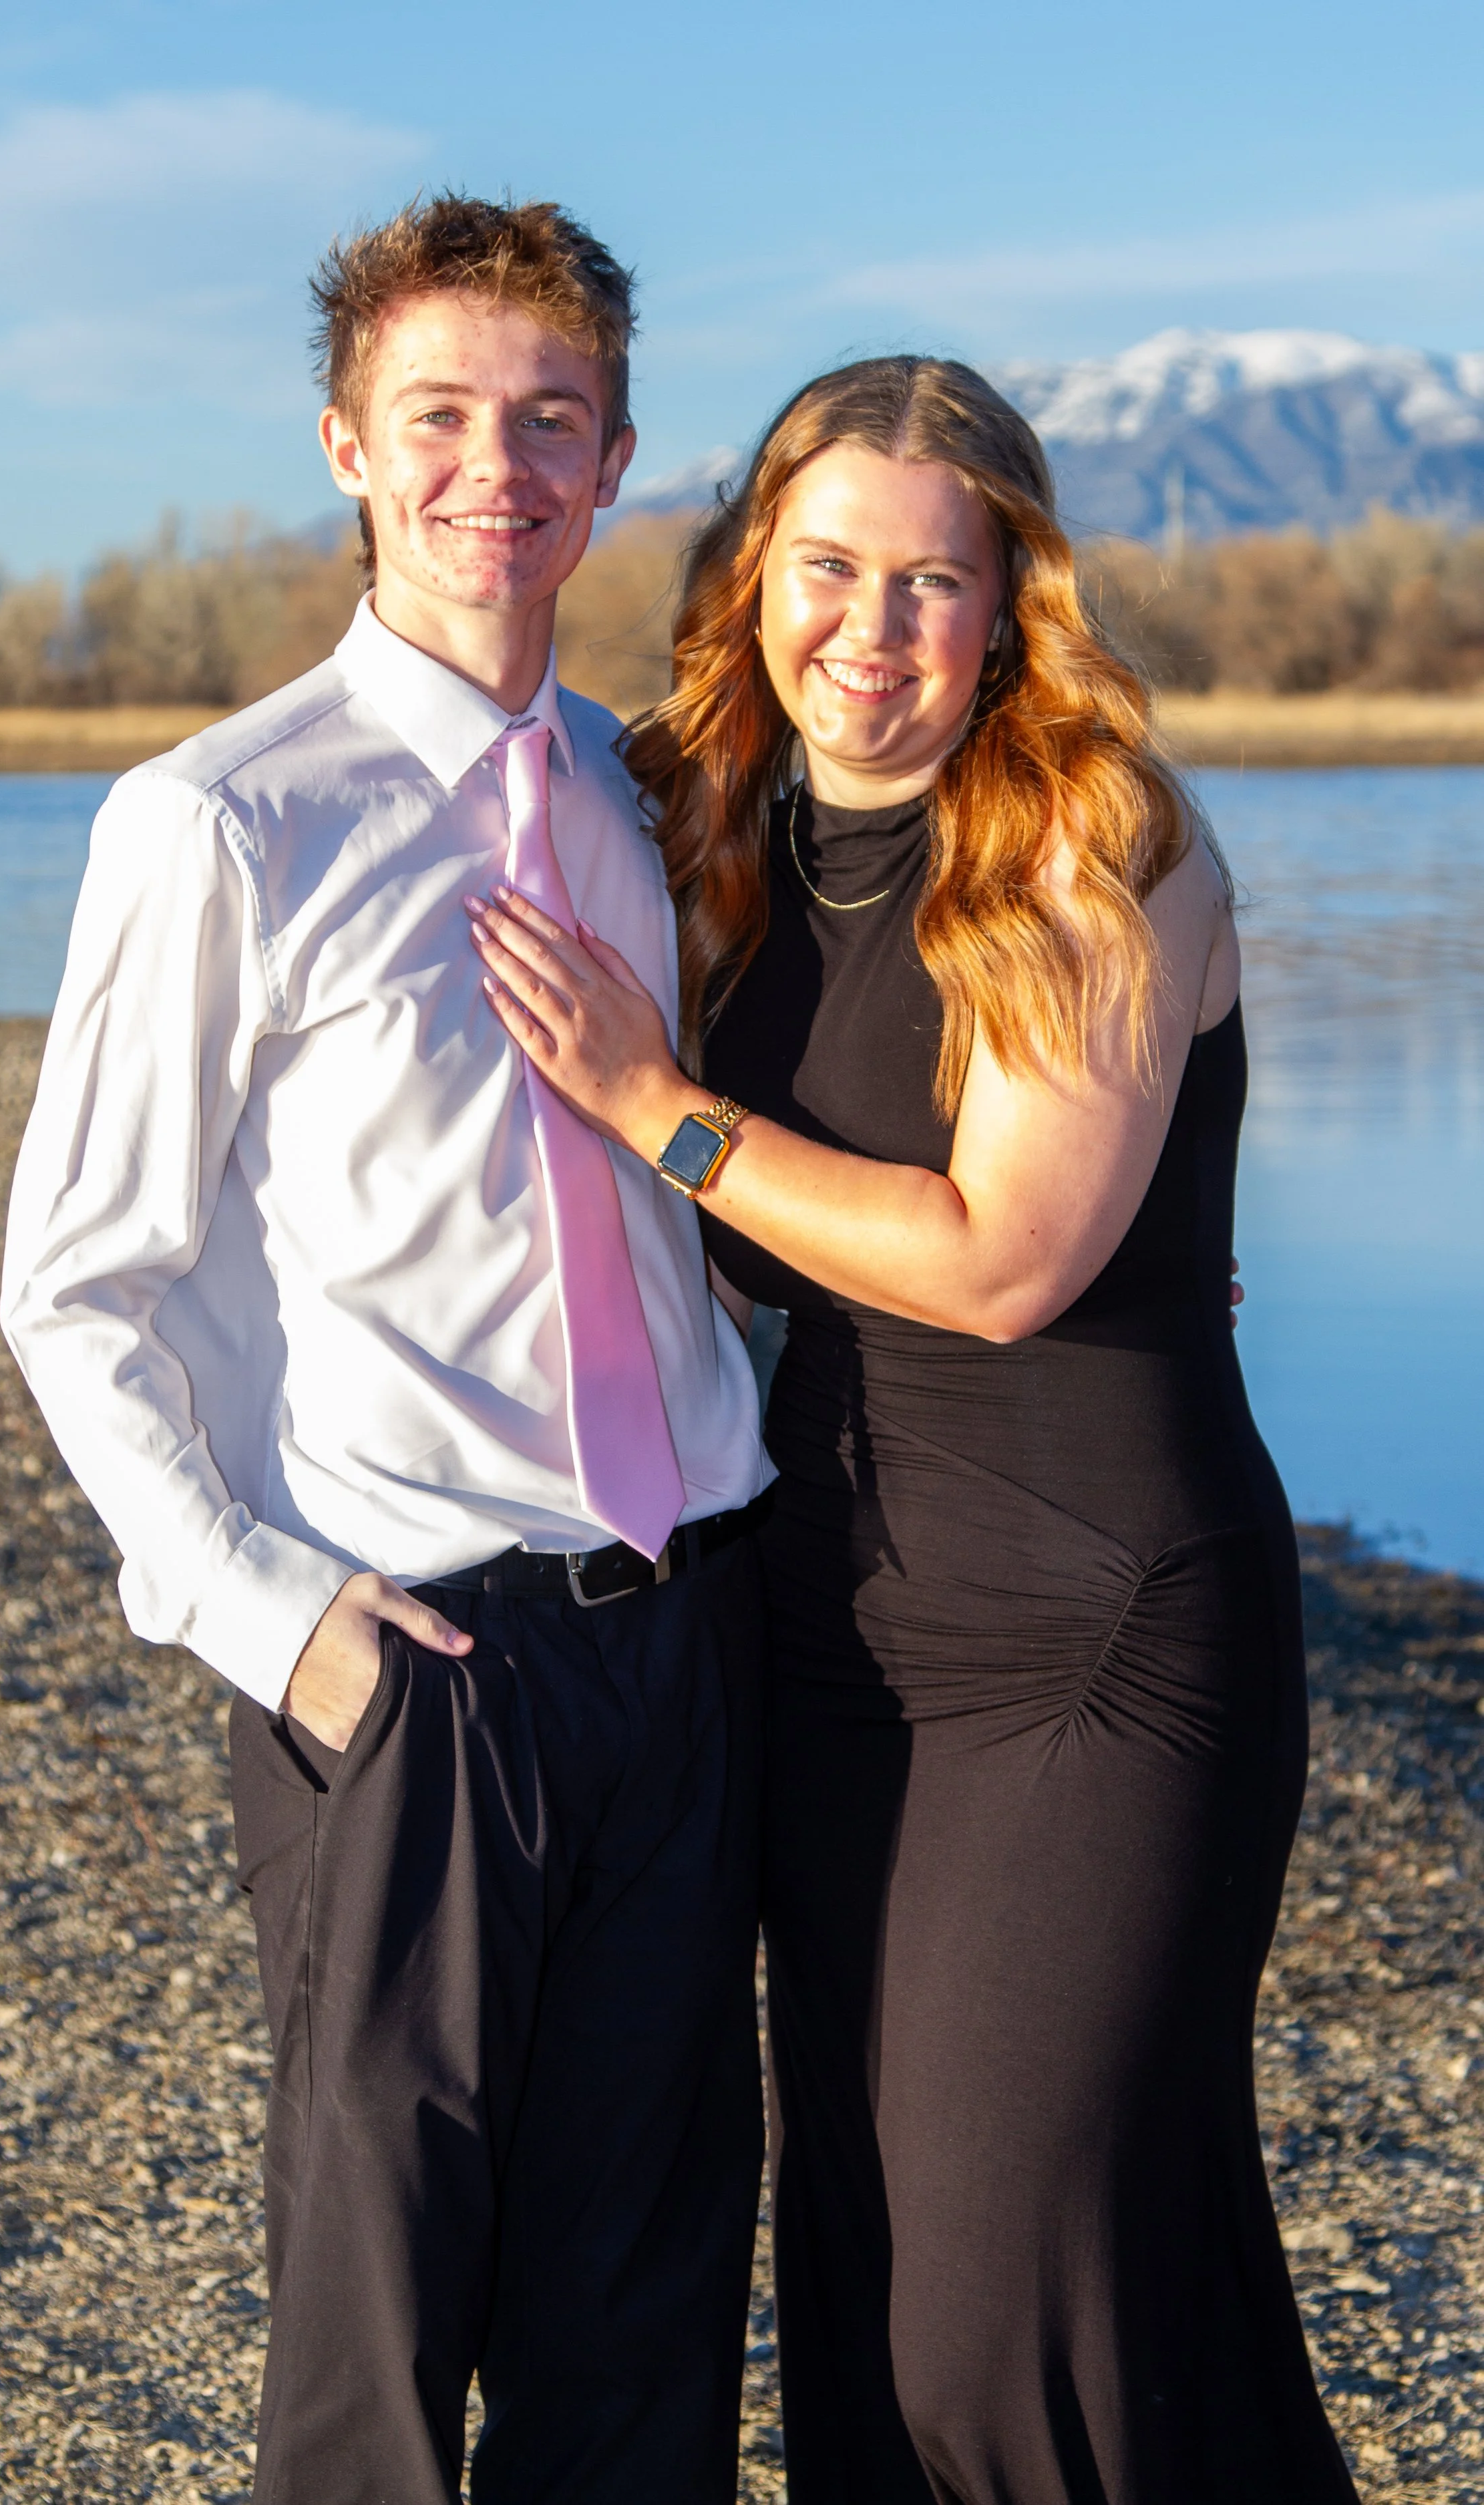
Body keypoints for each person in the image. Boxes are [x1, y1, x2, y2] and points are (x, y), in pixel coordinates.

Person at [470, 354, 1361, 2502]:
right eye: (827, 568)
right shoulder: (711, 828)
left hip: (1095, 1638)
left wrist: (652, 1108)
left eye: (930, 585)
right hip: (832, 1638)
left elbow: (997, 1259)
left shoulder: (1092, 832)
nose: (867, 633)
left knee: (996, 2307)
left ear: (1009, 605)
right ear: (753, 574)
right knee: (899, 2306)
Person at [0, 195, 773, 2505]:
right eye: (437, 413)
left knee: (639, 2335)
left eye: (549, 418)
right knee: (378, 2364)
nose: (492, 466)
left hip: (677, 1645)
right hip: (413, 1668)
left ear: (614, 456)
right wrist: (268, 1618)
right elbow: (74, 1281)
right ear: (346, 443)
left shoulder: (659, 806)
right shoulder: (221, 820)